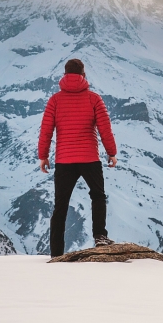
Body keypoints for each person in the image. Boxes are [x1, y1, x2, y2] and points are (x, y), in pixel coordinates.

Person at [38, 58, 118, 257]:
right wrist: (111, 153)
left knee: (60, 206)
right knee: (97, 196)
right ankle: (100, 236)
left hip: (64, 161)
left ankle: (56, 252)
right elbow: (104, 129)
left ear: (64, 75)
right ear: (83, 74)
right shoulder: (94, 99)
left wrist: (43, 156)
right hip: (89, 158)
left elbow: (46, 130)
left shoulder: (55, 100)